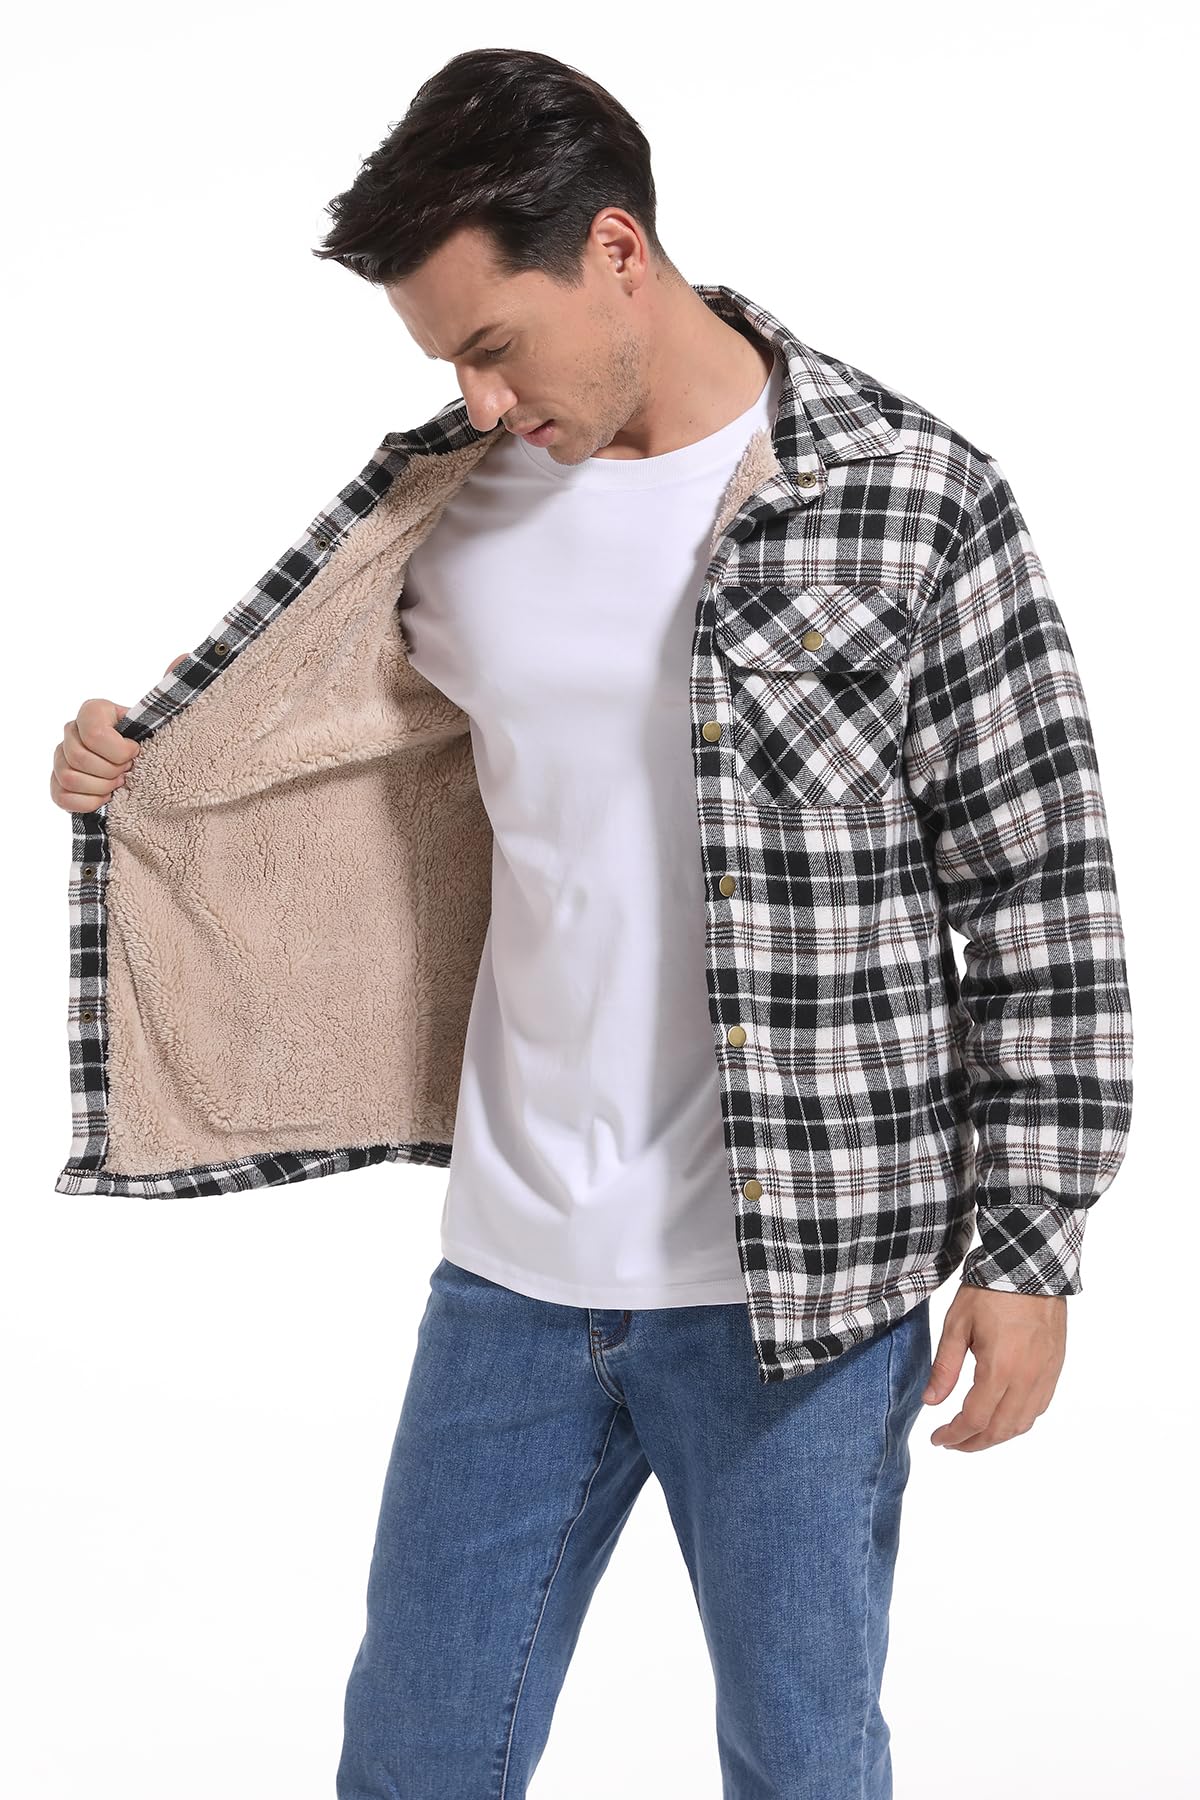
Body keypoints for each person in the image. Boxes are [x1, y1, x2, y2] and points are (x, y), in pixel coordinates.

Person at [48, 45, 1133, 1800]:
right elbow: (276, 738)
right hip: (512, 1274)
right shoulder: (447, 508)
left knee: (802, 1764)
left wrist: (1031, 1245)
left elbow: (1040, 890)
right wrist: (129, 759)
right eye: (444, 364)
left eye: (494, 344)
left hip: (803, 1290)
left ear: (618, 251)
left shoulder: (912, 495)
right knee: (415, 1762)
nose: (480, 399)